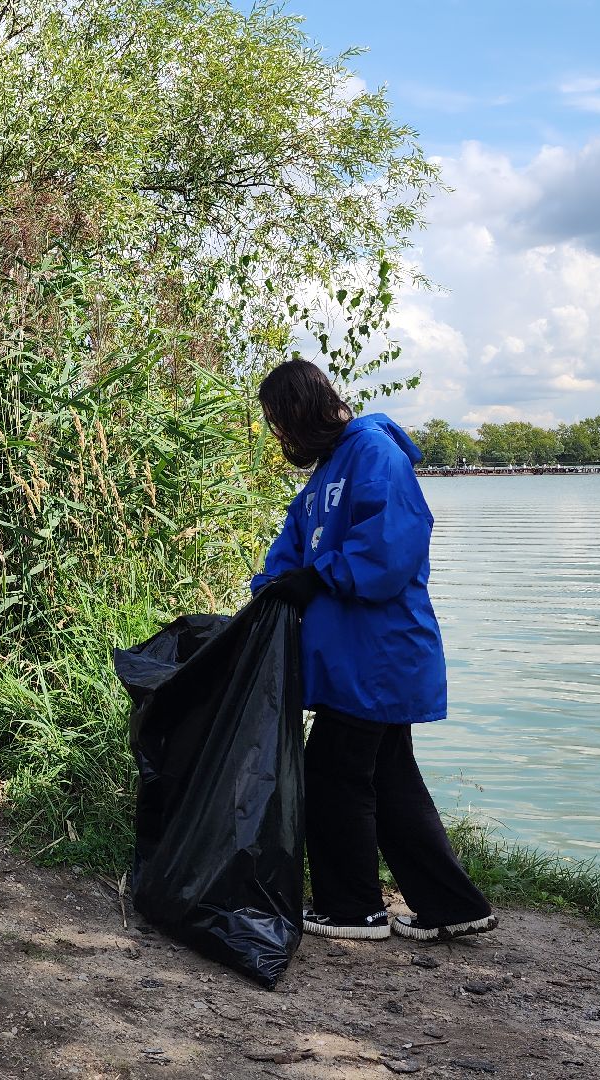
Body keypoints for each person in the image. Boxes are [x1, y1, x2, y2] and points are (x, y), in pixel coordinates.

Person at [250, 360, 496, 943]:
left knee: (333, 773)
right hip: (351, 664)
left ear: (303, 413)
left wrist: (320, 577)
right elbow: (289, 554)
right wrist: (270, 592)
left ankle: (350, 907)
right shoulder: (323, 479)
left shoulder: (376, 455)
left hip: (381, 657)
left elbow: (390, 550)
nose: (281, 440)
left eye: (280, 426)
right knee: (388, 779)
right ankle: (452, 906)